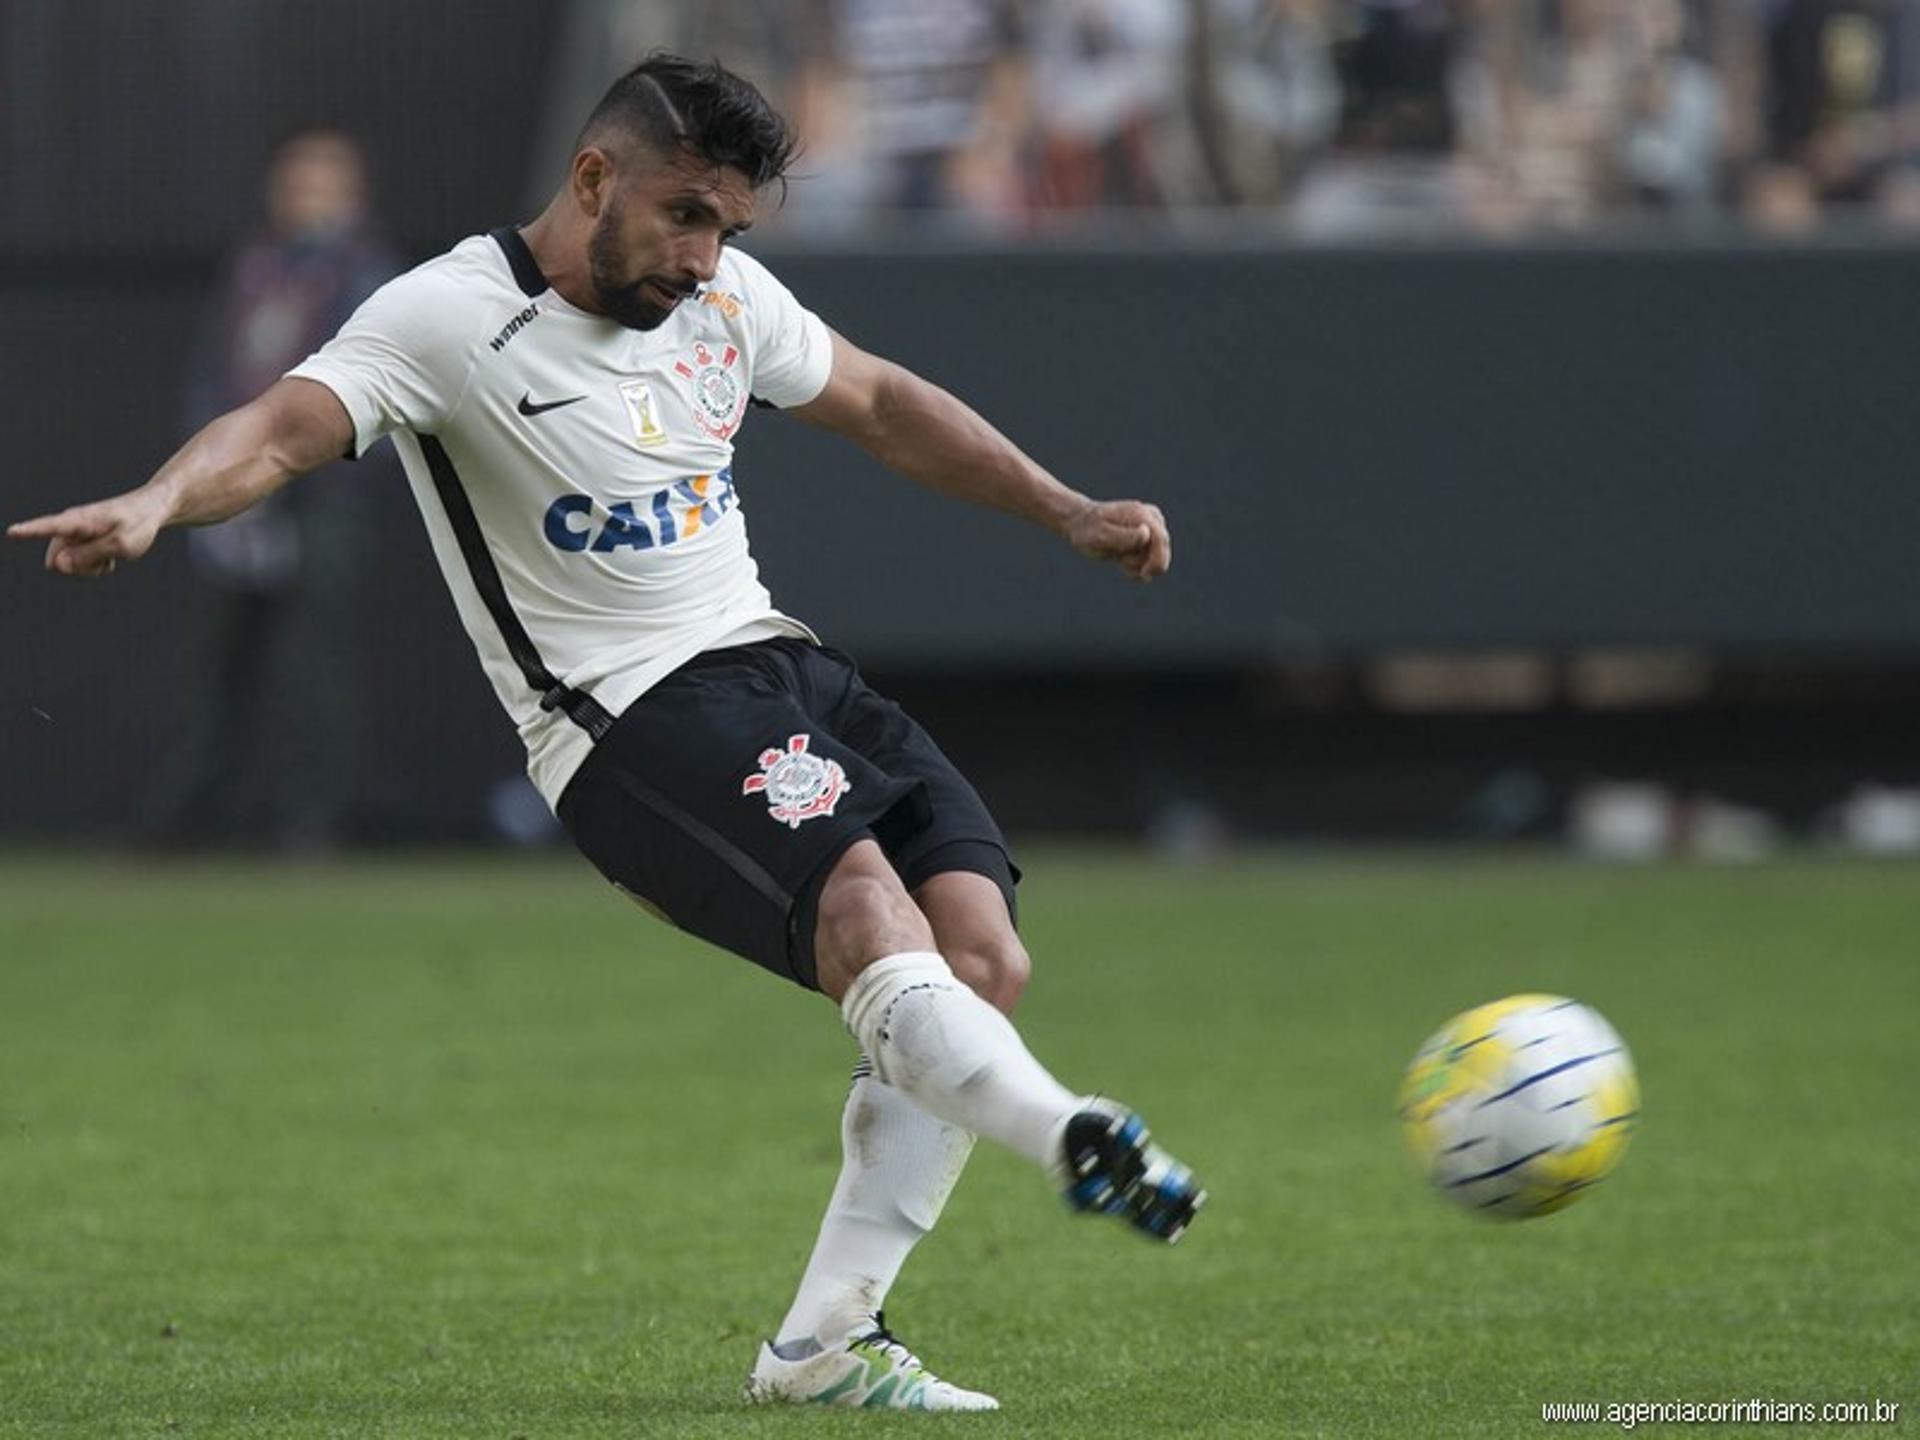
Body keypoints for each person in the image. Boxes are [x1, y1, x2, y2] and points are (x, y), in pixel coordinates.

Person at [9, 54, 1203, 1413]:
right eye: (687, 216)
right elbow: (281, 432)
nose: (706, 259)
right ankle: (1075, 1136)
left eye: (729, 230)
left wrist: (1065, 508)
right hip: (626, 721)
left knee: (981, 958)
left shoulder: (725, 301)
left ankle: (821, 1346)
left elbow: (875, 402)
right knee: (873, 921)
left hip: (779, 665)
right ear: (594, 179)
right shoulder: (446, 318)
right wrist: (162, 502)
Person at [143, 128, 398, 849]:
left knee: (315, 670)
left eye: (320, 185)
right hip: (235, 505)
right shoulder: (253, 270)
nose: (303, 199)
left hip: (323, 507)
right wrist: (208, 475)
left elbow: (377, 401)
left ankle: (311, 820)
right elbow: (211, 379)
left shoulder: (370, 277)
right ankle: (190, 816)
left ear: (352, 195)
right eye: (294, 183)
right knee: (219, 669)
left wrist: (293, 477)